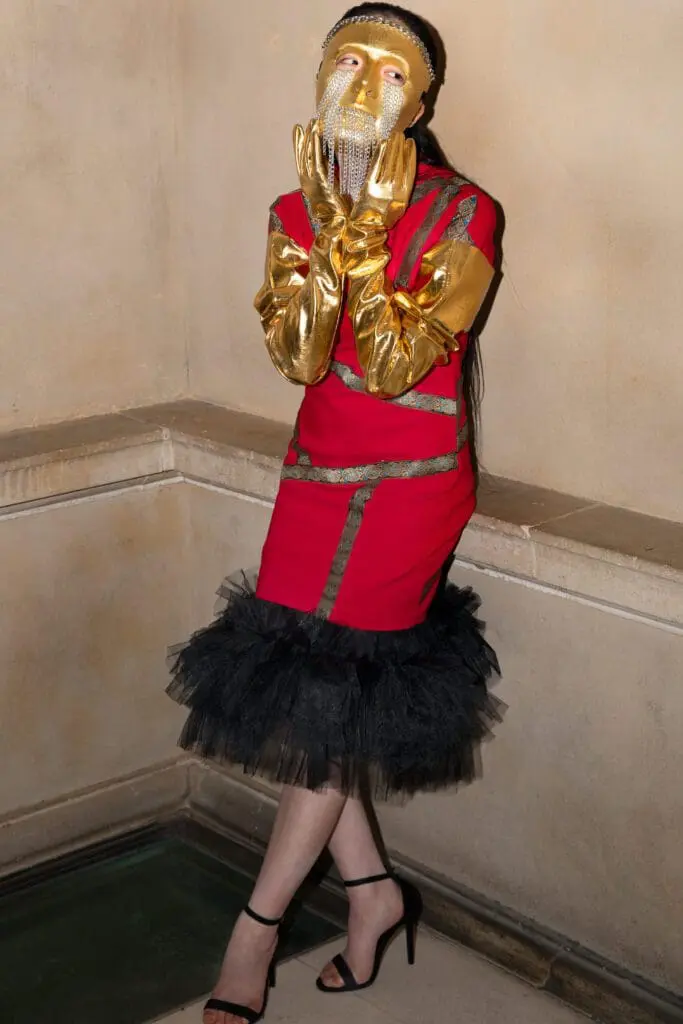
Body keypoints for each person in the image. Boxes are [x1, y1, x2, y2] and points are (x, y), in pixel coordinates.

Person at [167, 4, 503, 1022]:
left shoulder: (462, 212)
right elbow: (301, 357)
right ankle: (372, 896)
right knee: (315, 707)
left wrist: (360, 243)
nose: (361, 88)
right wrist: (329, 225)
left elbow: (401, 361)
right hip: (315, 477)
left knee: (323, 713)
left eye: (387, 73)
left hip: (407, 486)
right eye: (344, 63)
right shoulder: (290, 208)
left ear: (421, 99)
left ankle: (251, 935)